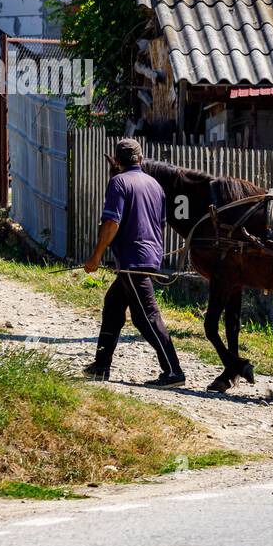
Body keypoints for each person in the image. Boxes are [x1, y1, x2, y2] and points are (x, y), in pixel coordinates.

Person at [82, 139, 185, 387]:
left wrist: (96, 256)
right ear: (140, 159)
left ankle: (173, 372)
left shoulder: (118, 182)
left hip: (132, 261)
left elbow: (112, 223)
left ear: (116, 161)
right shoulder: (155, 186)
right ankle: (101, 366)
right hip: (148, 257)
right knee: (113, 305)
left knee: (147, 316)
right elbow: (160, 225)